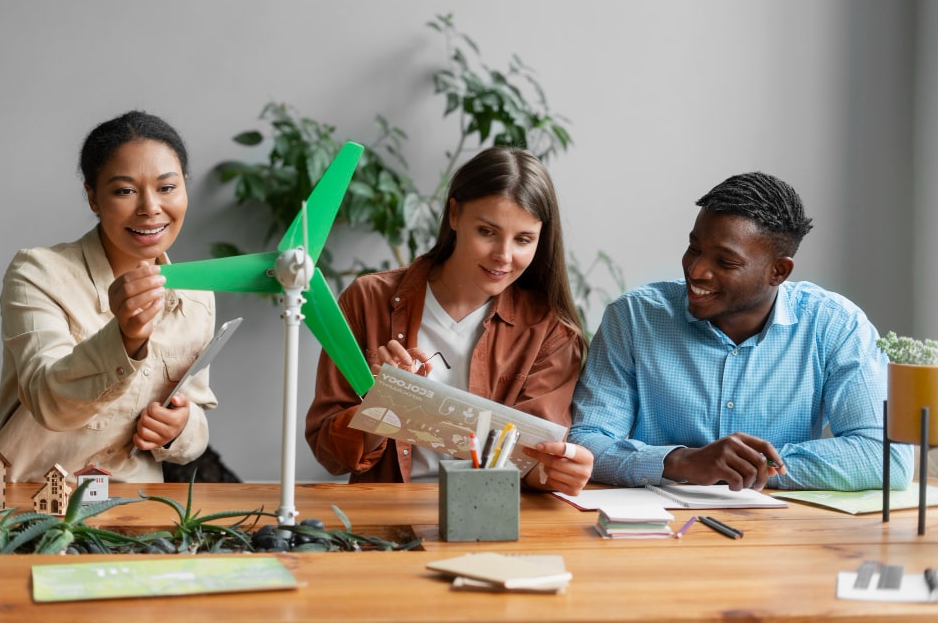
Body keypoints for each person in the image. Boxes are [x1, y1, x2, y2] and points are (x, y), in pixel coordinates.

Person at [568, 172, 913, 492]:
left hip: (781, 536)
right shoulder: (634, 318)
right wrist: (682, 462)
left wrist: (750, 467)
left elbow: (886, 457)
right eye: (694, 248)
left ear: (778, 271)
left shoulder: (835, 325)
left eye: (725, 262)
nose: (697, 270)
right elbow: (585, 441)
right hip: (661, 531)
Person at [305, 146, 593, 494]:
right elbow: (328, 453)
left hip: (490, 516)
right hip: (385, 516)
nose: (503, 256)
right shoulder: (367, 299)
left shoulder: (550, 331)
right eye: (487, 231)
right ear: (454, 215)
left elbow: (531, 466)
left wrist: (557, 471)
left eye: (523, 240)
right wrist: (385, 405)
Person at [0, 110, 217, 483]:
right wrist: (124, 340)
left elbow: (194, 414)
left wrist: (179, 428)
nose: (150, 207)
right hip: (31, 505)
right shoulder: (37, 273)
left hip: (136, 508)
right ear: (93, 198)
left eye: (167, 187)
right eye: (124, 190)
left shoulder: (196, 296)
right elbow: (49, 402)